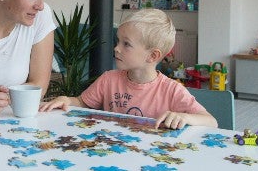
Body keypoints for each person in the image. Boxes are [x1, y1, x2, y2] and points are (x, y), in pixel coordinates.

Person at [40, 9, 217, 129]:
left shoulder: (172, 90)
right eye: (118, 41)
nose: (117, 48)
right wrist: (67, 100)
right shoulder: (109, 79)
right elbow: (82, 103)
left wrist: (186, 118)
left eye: (126, 44)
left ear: (153, 56)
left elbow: (211, 121)